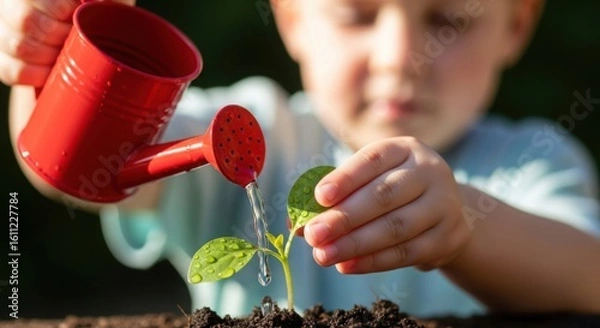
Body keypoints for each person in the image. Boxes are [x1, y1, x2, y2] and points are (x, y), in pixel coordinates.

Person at [3, 0, 600, 318]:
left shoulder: (532, 162)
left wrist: (464, 228)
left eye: (448, 19)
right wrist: (47, 58)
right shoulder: (257, 132)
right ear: (289, 16)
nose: (401, 58)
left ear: (516, 25)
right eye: (356, 14)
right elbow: (81, 168)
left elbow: (586, 276)